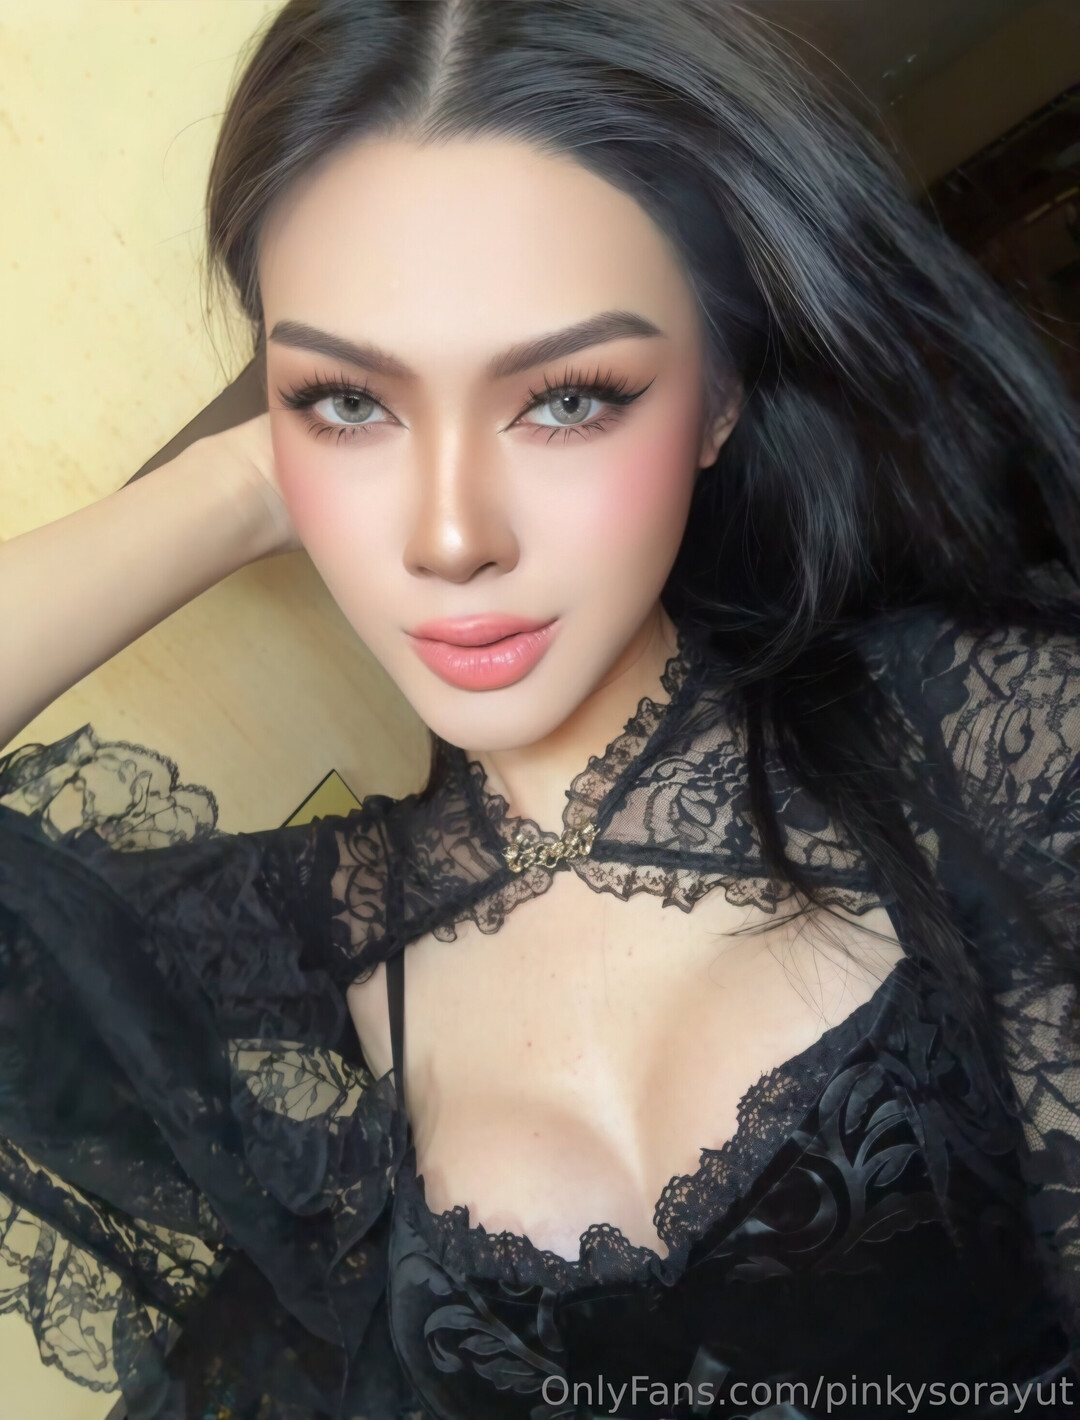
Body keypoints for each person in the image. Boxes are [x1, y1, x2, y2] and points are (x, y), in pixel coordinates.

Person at [1, 1, 1079, 1417]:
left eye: (568, 398)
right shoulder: (322, 934)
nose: (451, 539)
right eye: (345, 400)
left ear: (717, 399)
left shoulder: (994, 728)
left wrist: (336, 428)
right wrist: (234, 486)